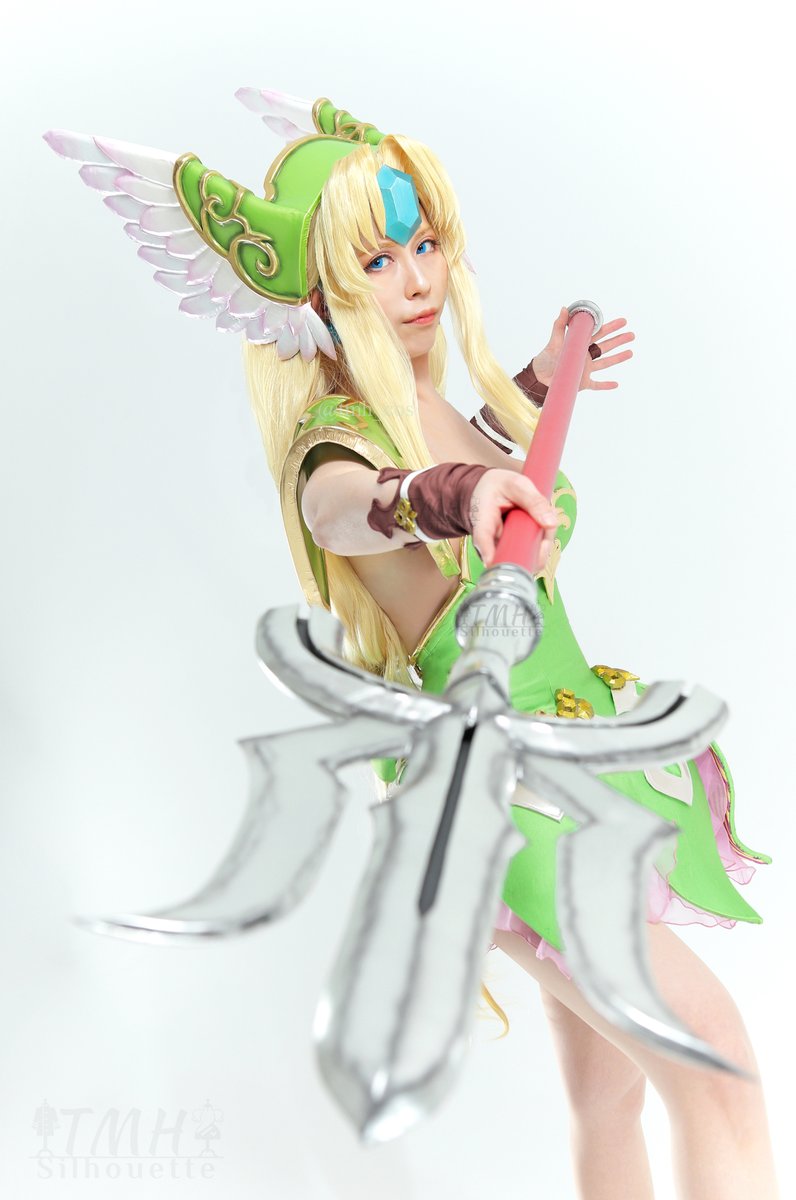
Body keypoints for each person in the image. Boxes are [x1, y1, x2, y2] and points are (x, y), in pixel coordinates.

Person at [46, 90, 779, 1198]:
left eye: (425, 245)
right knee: (715, 1067)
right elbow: (351, 507)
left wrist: (539, 382)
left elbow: (476, 451)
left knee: (611, 1093)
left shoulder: (422, 404)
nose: (418, 280)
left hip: (571, 752)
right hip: (508, 799)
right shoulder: (331, 442)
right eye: (377, 262)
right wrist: (450, 495)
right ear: (316, 296)